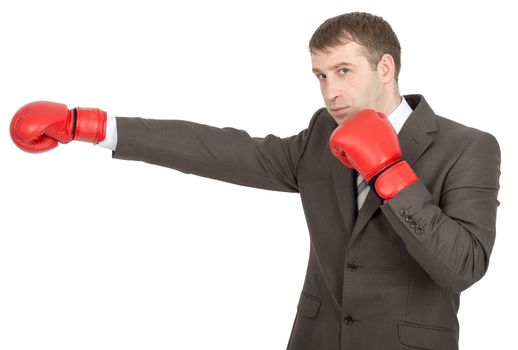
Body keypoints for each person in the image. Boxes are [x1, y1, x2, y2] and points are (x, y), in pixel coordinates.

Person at [9, 11, 500, 350]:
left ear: (386, 67)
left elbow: (463, 267)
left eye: (343, 71)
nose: (331, 91)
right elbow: (225, 150)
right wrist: (96, 126)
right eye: (320, 75)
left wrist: (391, 174)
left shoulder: (468, 147)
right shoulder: (323, 135)